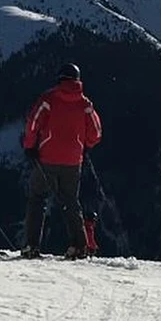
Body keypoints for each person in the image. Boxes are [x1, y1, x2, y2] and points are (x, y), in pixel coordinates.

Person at [21, 62, 103, 259]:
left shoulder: (48, 99)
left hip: (47, 157)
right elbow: (96, 133)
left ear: (59, 79)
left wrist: (30, 146)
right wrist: (83, 145)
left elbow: (33, 122)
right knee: (70, 201)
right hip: (73, 160)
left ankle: (32, 245)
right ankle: (79, 245)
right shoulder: (85, 104)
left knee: (37, 198)